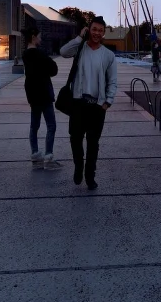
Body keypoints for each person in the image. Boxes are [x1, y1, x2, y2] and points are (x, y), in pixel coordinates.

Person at [60, 16, 117, 189]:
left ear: (104, 33)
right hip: (78, 103)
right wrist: (79, 37)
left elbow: (112, 81)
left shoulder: (108, 55)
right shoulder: (80, 49)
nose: (97, 33)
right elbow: (63, 52)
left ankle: (90, 175)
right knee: (75, 139)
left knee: (93, 144)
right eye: (94, 29)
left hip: (97, 107)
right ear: (88, 29)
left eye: (100, 30)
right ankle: (78, 166)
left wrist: (107, 102)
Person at [22, 27, 60, 170]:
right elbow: (53, 70)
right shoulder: (41, 54)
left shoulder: (25, 55)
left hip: (32, 95)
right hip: (44, 93)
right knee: (51, 126)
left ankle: (35, 155)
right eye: (39, 36)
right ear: (33, 37)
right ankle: (48, 157)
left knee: (34, 126)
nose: (41, 38)